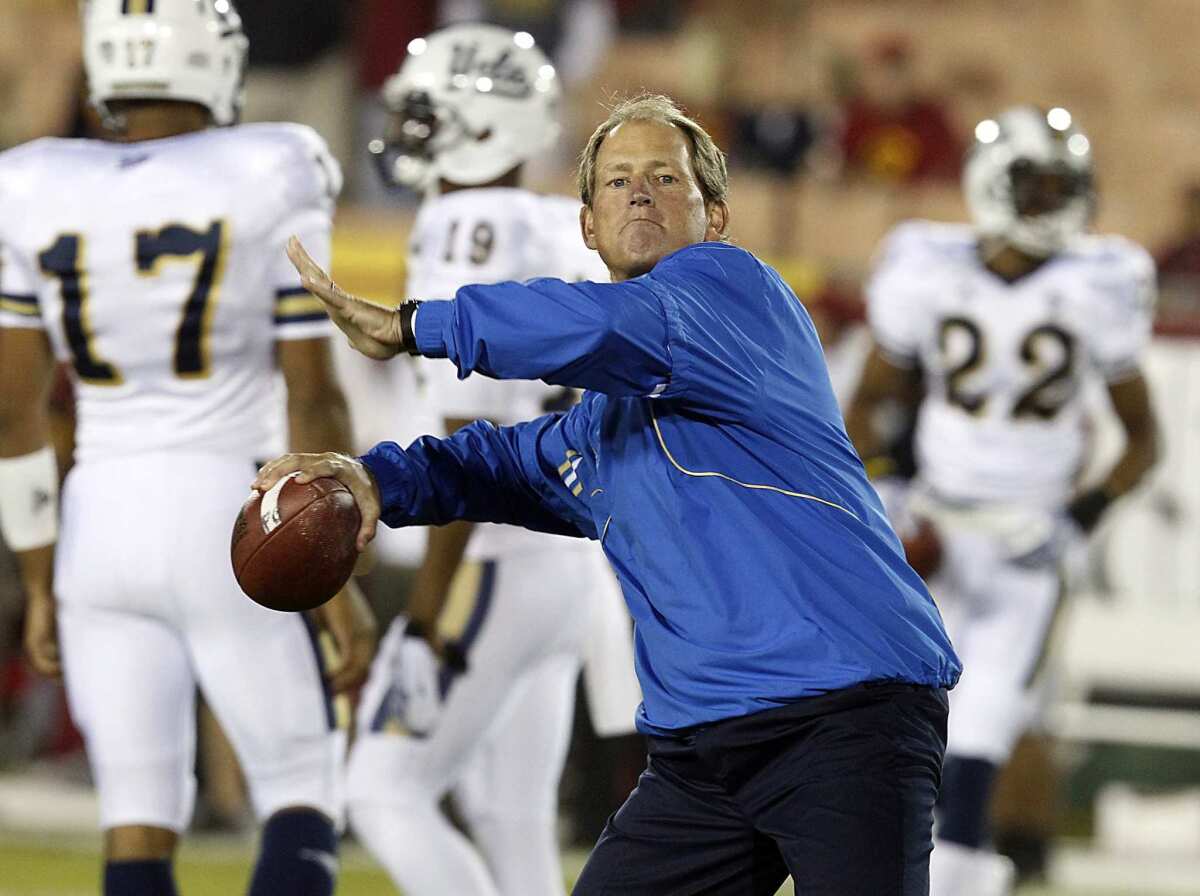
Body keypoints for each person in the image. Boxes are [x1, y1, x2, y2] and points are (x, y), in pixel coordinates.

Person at [258, 92, 961, 894]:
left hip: (845, 714)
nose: (640, 191)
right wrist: (373, 477)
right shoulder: (599, 427)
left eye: (666, 177)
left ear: (715, 218)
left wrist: (420, 324)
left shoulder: (734, 292)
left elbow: (601, 326)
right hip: (703, 752)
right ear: (587, 225)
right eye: (619, 180)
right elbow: (501, 462)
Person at [0, 3, 375, 895]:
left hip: (96, 527)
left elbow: (13, 416)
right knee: (300, 793)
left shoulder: (34, 181)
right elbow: (312, 392)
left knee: (137, 817)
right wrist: (340, 579)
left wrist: (42, 575)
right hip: (226, 508)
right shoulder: (270, 164)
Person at [345, 24, 638, 896]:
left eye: (430, 117)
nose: (412, 134)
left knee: (382, 791)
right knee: (514, 820)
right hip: (568, 564)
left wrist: (427, 615)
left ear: (484, 125)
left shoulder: (464, 219)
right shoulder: (562, 224)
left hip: (493, 556)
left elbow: (466, 447)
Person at [845, 105, 1160, 896]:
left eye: (1064, 185)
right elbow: (868, 407)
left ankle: (954, 870)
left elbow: (1144, 440)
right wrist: (886, 496)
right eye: (1036, 183)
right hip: (937, 526)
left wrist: (1073, 522)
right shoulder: (927, 267)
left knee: (987, 716)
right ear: (991, 184)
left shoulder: (1101, 282)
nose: (1053, 200)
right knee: (906, 708)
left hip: (1028, 537)